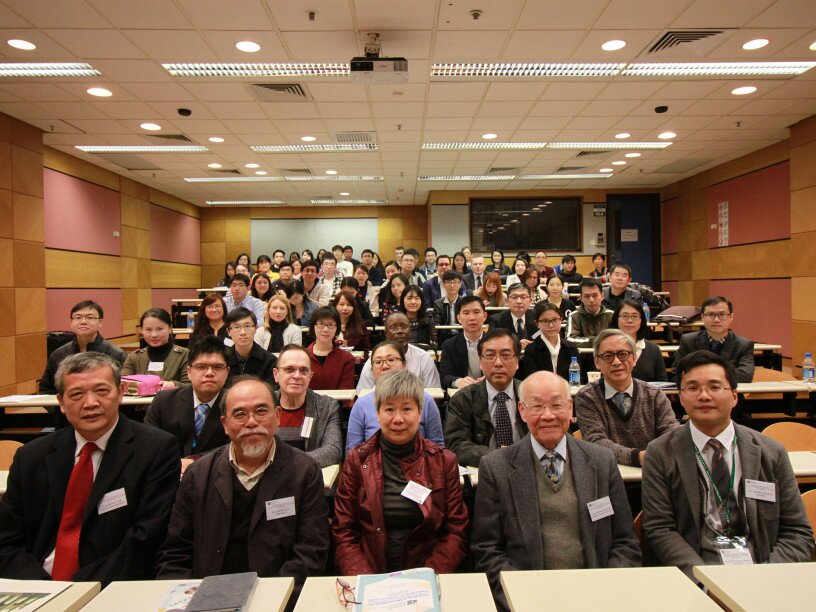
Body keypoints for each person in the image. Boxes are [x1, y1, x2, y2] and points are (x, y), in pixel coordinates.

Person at [0, 353, 180, 583]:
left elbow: (145, 539)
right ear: (61, 403)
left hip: (109, 586)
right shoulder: (31, 457)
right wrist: (44, 589)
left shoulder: (156, 449)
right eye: (76, 394)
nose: (91, 403)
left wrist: (80, 590)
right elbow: (6, 539)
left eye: (102, 391)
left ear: (121, 392)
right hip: (39, 585)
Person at [472, 371, 641, 611]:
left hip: (596, 594)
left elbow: (625, 542)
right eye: (537, 406)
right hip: (528, 596)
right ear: (521, 410)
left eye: (556, 404)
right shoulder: (496, 467)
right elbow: (487, 549)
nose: (548, 415)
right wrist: (520, 598)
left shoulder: (601, 461)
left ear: (570, 408)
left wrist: (607, 591)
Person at [642, 351, 814, 580]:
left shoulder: (771, 452)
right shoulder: (661, 452)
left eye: (714, 387)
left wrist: (770, 575)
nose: (703, 396)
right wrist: (702, 579)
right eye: (692, 388)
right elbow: (660, 529)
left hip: (763, 565)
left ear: (734, 396)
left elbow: (797, 530)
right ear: (680, 398)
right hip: (699, 569)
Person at [154, 376, 329, 597]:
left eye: (261, 411)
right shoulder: (198, 475)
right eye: (239, 414)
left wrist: (274, 597)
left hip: (276, 596)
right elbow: (175, 552)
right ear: (225, 425)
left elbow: (311, 551)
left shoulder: (304, 471)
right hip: (207, 596)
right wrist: (187, 598)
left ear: (277, 417)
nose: (252, 422)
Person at [333, 370, 468, 575]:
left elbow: (455, 531)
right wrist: (364, 579)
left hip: (428, 573)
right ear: (377, 414)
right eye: (389, 409)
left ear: (420, 412)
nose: (398, 419)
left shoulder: (443, 461)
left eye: (407, 409)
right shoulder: (357, 460)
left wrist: (429, 575)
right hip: (370, 572)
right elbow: (344, 531)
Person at [575, 329, 679, 467]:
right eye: (607, 356)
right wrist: (639, 457)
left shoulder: (654, 395)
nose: (617, 362)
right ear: (597, 362)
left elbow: (672, 435)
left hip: (653, 475)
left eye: (623, 354)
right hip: (608, 478)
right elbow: (595, 441)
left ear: (634, 358)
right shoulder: (587, 396)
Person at [445, 329, 527, 466]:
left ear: (517, 361)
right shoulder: (463, 399)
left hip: (526, 467)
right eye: (490, 356)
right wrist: (498, 456)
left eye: (506, 355)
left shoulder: (532, 395)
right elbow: (456, 444)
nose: (498, 363)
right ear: (481, 362)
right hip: (484, 472)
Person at [346, 341, 444, 452]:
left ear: (404, 364)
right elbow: (352, 452)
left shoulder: (425, 399)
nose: (385, 366)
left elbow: (437, 447)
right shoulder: (361, 405)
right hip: (373, 467)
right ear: (372, 369)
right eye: (378, 362)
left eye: (391, 360)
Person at [144, 336, 230, 459]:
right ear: (189, 372)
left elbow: (235, 447)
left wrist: (193, 461)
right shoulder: (164, 401)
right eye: (201, 367)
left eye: (217, 367)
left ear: (227, 372)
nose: (209, 373)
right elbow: (149, 441)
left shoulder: (236, 405)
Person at [272, 345, 343, 467]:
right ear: (276, 374)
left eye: (303, 370)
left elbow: (333, 450)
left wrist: (291, 465)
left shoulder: (327, 406)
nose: (297, 376)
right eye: (289, 369)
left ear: (310, 377)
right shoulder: (263, 405)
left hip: (309, 479)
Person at [39, 300, 126, 394]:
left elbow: (123, 391)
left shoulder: (116, 354)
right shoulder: (58, 354)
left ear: (100, 322)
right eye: (78, 317)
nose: (83, 321)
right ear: (71, 323)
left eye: (90, 317)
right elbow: (46, 390)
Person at [673, 296, 755, 383]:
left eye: (722, 315)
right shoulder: (688, 341)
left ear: (731, 317)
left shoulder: (743, 345)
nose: (716, 320)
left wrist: (703, 373)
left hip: (728, 394)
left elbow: (746, 376)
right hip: (696, 394)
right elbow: (677, 373)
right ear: (702, 317)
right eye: (711, 315)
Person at [356, 312, 441, 392]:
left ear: (410, 331)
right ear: (386, 333)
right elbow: (363, 394)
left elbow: (434, 395)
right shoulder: (376, 360)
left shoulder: (424, 358)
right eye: (394, 327)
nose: (400, 331)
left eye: (404, 327)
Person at [122, 308, 190, 389]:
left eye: (159, 329)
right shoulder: (134, 357)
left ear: (169, 328)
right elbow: (122, 384)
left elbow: (191, 386)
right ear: (142, 331)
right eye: (148, 330)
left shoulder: (184, 355)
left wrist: (174, 385)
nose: (154, 335)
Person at [520, 303, 581, 382]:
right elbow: (533, 381)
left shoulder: (571, 348)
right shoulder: (531, 350)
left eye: (555, 320)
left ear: (561, 320)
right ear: (537, 324)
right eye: (545, 321)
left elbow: (578, 380)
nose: (551, 325)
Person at [611, 300, 668, 382]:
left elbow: (662, 381)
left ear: (642, 320)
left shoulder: (653, 349)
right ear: (616, 319)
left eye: (634, 316)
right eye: (625, 316)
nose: (630, 320)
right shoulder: (607, 346)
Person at [439, 295, 487, 390]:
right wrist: (458, 382)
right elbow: (444, 377)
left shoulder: (495, 342)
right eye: (466, 313)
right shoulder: (449, 345)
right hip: (462, 395)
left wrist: (491, 379)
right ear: (459, 318)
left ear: (485, 316)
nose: (472, 318)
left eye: (476, 312)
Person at [305, 306, 355, 390]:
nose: (325, 329)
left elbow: (345, 392)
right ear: (313, 327)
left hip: (336, 403)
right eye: (321, 324)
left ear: (336, 328)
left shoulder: (346, 358)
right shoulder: (302, 356)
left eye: (330, 324)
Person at [224, 307, 276, 385]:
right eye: (237, 327)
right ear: (229, 331)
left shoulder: (270, 361)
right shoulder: (223, 360)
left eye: (247, 326)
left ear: (255, 328)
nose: (242, 332)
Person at [488, 283, 535, 347]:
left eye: (523, 297)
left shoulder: (537, 317)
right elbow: (492, 342)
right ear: (507, 301)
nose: (519, 301)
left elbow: (541, 337)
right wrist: (515, 344)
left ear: (530, 301)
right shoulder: (496, 320)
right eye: (514, 297)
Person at [432, 270, 465, 345]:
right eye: (449, 282)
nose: (452, 285)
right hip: (444, 339)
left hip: (462, 336)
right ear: (444, 284)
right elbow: (436, 325)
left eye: (455, 282)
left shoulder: (465, 302)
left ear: (460, 284)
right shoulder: (438, 303)